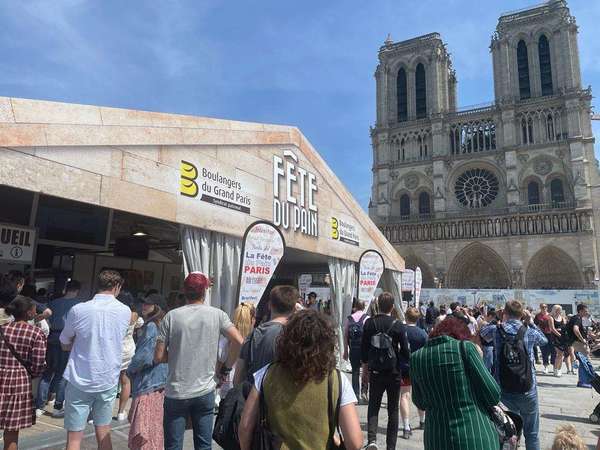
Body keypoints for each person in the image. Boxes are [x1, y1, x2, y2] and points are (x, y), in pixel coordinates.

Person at [238, 309, 363, 450]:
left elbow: (245, 428)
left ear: (286, 340)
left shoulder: (266, 373)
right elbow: (355, 442)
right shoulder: (336, 380)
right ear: (327, 342)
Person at [154, 272, 243, 450]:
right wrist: (225, 367)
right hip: (205, 390)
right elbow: (239, 340)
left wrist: (179, 355)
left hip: (176, 391)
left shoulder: (171, 316)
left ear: (184, 291)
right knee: (203, 445)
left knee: (173, 445)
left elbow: (158, 357)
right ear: (205, 292)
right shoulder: (217, 315)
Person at [60, 270, 131, 450]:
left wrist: (76, 342)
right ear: (117, 287)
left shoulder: (78, 309)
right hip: (107, 378)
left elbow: (64, 341)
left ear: (97, 285)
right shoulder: (125, 311)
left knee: (74, 439)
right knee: (104, 432)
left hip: (79, 377)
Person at [410, 313, 500, 450]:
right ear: (461, 334)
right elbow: (493, 394)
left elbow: (420, 402)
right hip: (474, 434)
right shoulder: (465, 348)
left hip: (436, 437)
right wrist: (480, 360)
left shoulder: (416, 357)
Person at [480, 300, 548, 450]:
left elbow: (483, 333)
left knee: (508, 432)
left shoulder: (496, 329)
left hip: (504, 390)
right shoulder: (528, 330)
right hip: (528, 389)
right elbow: (544, 340)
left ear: (505, 312)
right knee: (532, 433)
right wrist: (530, 322)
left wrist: (498, 319)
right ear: (522, 314)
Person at [361, 292, 410, 450]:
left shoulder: (369, 323)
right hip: (393, 371)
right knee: (393, 409)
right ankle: (391, 446)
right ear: (392, 306)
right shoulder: (398, 324)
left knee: (373, 405)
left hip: (376, 371)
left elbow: (364, 350)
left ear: (378, 305)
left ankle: (372, 440)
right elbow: (405, 351)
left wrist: (366, 368)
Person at [0, 295, 47, 450]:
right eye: (34, 309)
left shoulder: (2, 329)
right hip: (18, 381)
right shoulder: (35, 333)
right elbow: (38, 364)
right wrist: (31, 374)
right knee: (11, 430)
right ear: (28, 313)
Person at [126, 294, 168, 450]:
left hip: (148, 382)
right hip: (162, 382)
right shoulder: (164, 324)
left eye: (148, 304)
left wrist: (130, 370)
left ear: (156, 307)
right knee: (155, 429)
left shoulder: (151, 327)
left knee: (143, 430)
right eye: (143, 303)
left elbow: (143, 357)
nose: (144, 306)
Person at [233, 286, 297, 386]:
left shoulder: (253, 335)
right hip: (282, 397)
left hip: (252, 395)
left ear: (269, 305)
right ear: (294, 308)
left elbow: (237, 377)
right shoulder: (295, 335)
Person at [36, 280, 82, 418]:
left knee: (47, 372)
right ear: (77, 290)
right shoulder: (79, 305)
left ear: (65, 289)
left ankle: (39, 406)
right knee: (62, 373)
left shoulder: (54, 302)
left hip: (52, 336)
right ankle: (57, 407)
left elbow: (46, 318)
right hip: (67, 339)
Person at [399, 307, 428, 439]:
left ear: (406, 316)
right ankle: (422, 421)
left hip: (403, 367)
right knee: (420, 394)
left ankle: (406, 426)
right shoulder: (423, 333)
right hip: (419, 368)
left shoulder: (400, 331)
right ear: (418, 319)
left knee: (404, 396)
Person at [218, 302, 255, 399]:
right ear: (252, 320)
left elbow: (217, 369)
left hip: (224, 392)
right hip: (244, 394)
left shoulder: (224, 341)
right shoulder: (254, 343)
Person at [117, 300, 140, 422]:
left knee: (109, 383)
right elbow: (140, 323)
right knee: (125, 381)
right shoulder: (135, 315)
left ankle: (97, 414)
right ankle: (121, 412)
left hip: (115, 349)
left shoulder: (117, 313)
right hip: (129, 349)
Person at [343, 298, 369, 401]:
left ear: (355, 307)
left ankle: (355, 394)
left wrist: (345, 351)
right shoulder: (367, 318)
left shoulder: (349, 319)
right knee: (365, 371)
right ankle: (364, 392)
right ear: (363, 307)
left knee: (355, 372)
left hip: (353, 349)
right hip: (364, 349)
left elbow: (345, 336)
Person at [534, 303, 555, 374]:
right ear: (540, 307)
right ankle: (546, 366)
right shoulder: (538, 316)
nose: (544, 308)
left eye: (545, 307)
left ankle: (554, 365)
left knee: (553, 350)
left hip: (551, 335)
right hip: (542, 335)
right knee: (544, 351)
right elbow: (535, 325)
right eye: (542, 307)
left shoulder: (550, 315)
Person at [548, 305, 568, 377]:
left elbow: (565, 327)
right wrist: (559, 335)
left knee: (561, 354)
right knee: (559, 353)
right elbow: (552, 329)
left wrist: (563, 333)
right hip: (555, 338)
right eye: (557, 309)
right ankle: (556, 369)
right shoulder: (551, 318)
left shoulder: (563, 318)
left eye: (560, 309)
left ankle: (559, 369)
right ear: (554, 310)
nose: (559, 311)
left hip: (563, 337)